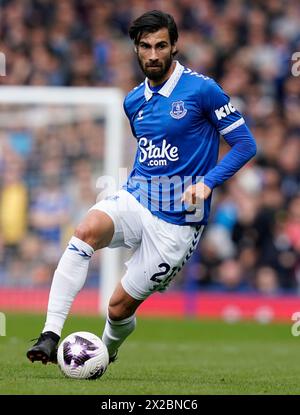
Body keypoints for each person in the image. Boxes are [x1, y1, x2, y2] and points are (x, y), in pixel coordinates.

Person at [27, 10, 256, 365]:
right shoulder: (133, 101)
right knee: (85, 230)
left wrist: (208, 183)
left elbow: (245, 144)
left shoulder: (203, 90)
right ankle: (49, 335)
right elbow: (150, 151)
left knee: (117, 309)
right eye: (145, 46)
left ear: (174, 46)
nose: (153, 54)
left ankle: (107, 350)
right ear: (135, 48)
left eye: (161, 45)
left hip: (178, 223)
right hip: (137, 197)